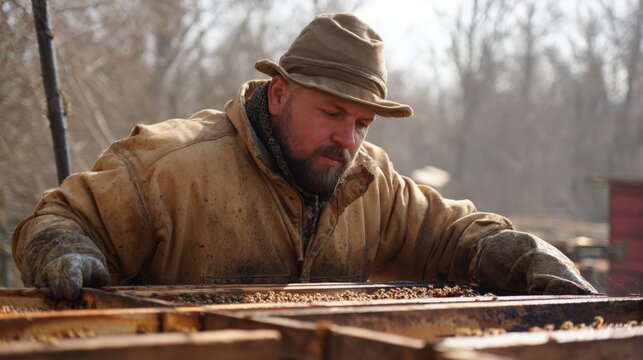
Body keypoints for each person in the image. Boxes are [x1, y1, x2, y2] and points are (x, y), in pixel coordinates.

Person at [12, 13, 597, 301]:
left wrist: (508, 251)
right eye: (332, 113)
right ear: (280, 92)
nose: (349, 140)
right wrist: (64, 248)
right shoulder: (171, 166)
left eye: (362, 123)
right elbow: (59, 220)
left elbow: (448, 236)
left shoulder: (369, 183)